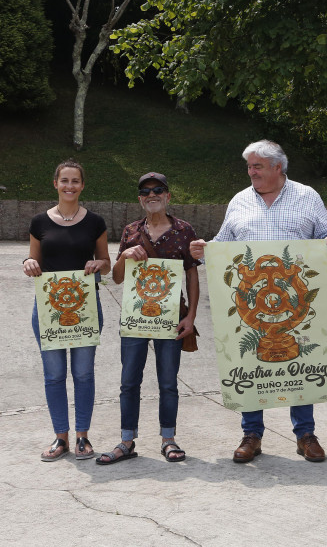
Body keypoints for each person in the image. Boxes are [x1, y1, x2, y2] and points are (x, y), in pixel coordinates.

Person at [189, 140, 327, 464]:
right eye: (249, 166)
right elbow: (223, 245)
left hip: (296, 304)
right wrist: (205, 250)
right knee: (250, 365)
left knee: (299, 365)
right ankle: (252, 434)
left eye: (257, 166)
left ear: (277, 167)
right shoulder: (239, 201)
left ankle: (305, 434)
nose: (251, 171)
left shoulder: (307, 196)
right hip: (252, 308)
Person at [96, 172, 201, 465]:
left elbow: (191, 275)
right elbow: (117, 279)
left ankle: (168, 439)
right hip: (135, 318)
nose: (152, 195)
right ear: (140, 199)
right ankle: (126, 441)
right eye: (146, 191)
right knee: (129, 381)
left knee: (168, 381)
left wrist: (191, 316)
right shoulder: (131, 230)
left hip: (170, 319)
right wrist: (124, 255)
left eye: (158, 190)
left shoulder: (184, 230)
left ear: (168, 196)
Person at [23, 159, 111, 462]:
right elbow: (32, 260)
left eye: (75, 181)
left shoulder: (95, 222)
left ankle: (82, 436)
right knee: (54, 375)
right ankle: (60, 437)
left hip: (86, 308)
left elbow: (107, 263)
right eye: (65, 181)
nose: (70, 186)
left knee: (84, 374)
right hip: (48, 310)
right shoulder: (39, 222)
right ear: (55, 184)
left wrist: (99, 264)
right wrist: (28, 264)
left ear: (82, 185)